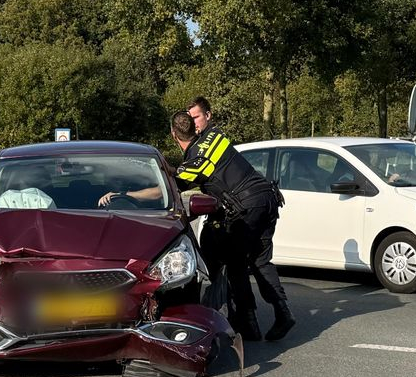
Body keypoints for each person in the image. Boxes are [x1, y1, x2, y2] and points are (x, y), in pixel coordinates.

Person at [103, 111, 295, 342]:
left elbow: (167, 186)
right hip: (268, 198)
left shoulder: (193, 163)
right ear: (195, 127)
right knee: (261, 260)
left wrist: (126, 194)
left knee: (236, 264)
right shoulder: (214, 136)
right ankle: (283, 312)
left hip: (247, 208)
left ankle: (248, 323)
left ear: (173, 134)